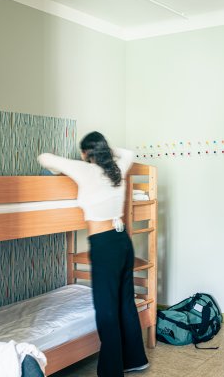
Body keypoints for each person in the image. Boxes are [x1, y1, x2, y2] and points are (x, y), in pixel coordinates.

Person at [38, 132, 148, 377]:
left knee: (106, 309)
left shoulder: (84, 169)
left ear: (86, 153)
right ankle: (135, 359)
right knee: (125, 302)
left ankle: (111, 371)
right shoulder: (117, 168)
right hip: (122, 241)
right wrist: (107, 150)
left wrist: (61, 167)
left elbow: (44, 158)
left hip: (104, 244)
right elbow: (129, 153)